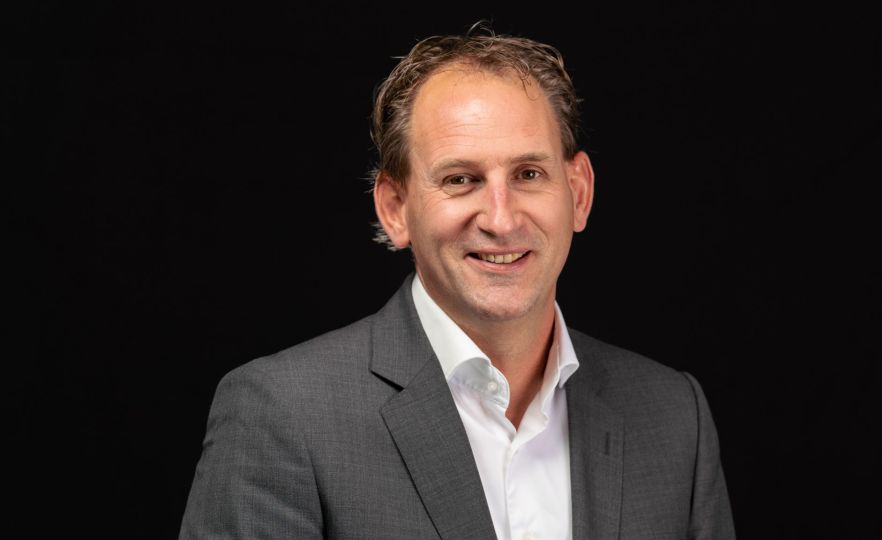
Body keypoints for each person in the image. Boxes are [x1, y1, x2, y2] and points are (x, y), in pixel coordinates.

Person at [180, 24, 735, 540]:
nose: (501, 218)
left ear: (579, 193)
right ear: (395, 209)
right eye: (461, 179)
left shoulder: (673, 416)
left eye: (529, 174)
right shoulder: (284, 415)